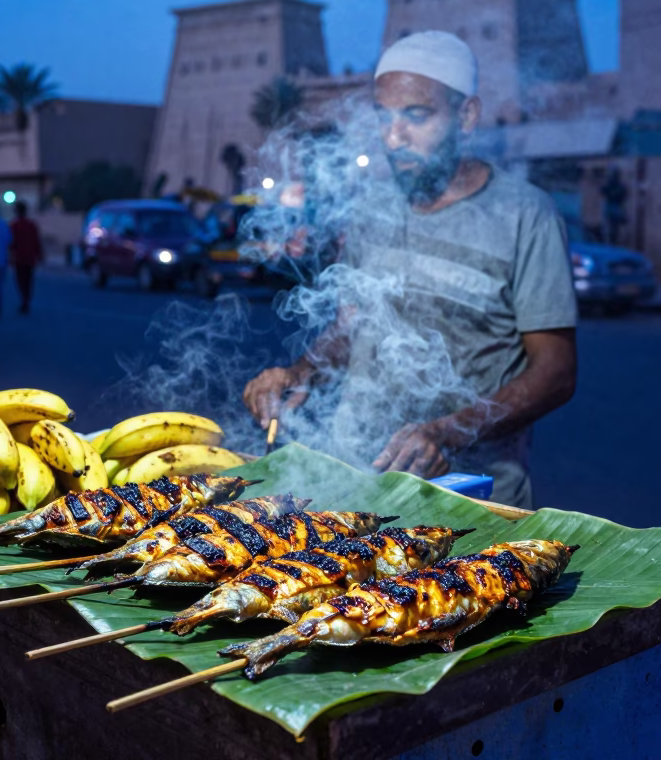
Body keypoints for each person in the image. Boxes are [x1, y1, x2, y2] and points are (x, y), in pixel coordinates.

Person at [243, 31, 577, 508]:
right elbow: (351, 327)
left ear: (466, 116)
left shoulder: (525, 214)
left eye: (416, 116)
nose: (393, 137)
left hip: (471, 498)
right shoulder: (374, 207)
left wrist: (447, 432)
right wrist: (300, 372)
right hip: (355, 483)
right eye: (385, 117)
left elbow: (556, 372)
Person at [9, 201, 43, 314]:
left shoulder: (14, 225)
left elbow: (11, 243)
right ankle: (26, 299)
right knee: (28, 280)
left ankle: (25, 300)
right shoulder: (31, 225)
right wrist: (39, 255)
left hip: (20, 258)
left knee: (21, 280)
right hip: (29, 257)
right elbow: (37, 241)